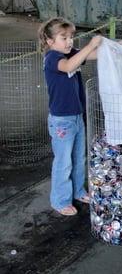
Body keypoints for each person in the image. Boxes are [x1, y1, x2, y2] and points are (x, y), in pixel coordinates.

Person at [38, 17, 102, 216]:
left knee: (78, 157)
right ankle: (60, 200)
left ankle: (78, 191)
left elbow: (93, 55)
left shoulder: (71, 53)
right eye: (63, 38)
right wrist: (90, 43)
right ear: (50, 41)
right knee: (63, 161)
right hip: (62, 121)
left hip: (76, 116)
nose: (69, 42)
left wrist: (117, 46)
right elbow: (68, 66)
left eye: (71, 37)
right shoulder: (52, 58)